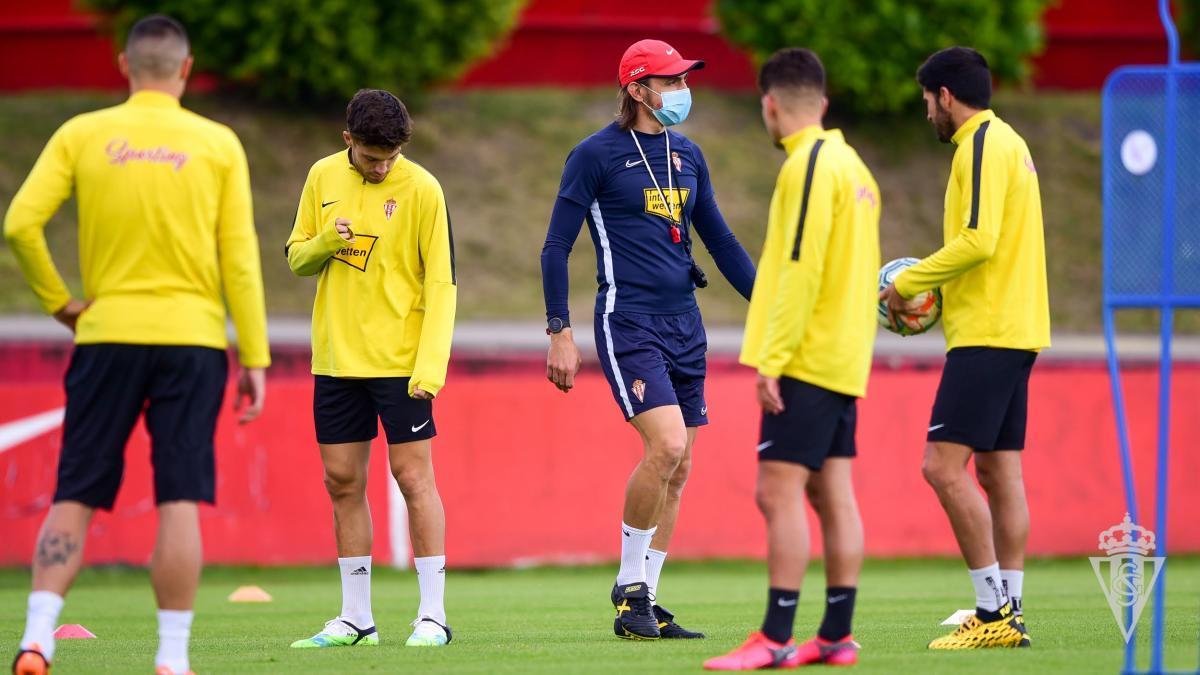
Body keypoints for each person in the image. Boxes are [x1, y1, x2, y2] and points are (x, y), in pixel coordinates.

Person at [5, 14, 270, 675]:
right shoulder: (217, 144)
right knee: (179, 495)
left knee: (77, 489)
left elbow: (19, 224)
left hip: (107, 336)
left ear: (124, 65)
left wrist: (58, 301)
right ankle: (172, 658)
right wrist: (256, 355)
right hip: (192, 340)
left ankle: (37, 637)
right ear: (186, 69)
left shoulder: (82, 134)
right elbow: (239, 258)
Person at [541, 38, 756, 641]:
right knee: (663, 446)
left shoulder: (688, 155)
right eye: (670, 81)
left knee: (681, 465)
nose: (682, 91)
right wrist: (559, 329)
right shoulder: (595, 155)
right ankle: (628, 585)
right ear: (637, 90)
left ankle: (646, 603)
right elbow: (555, 246)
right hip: (627, 321)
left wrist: (771, 308)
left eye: (684, 80)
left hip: (686, 323)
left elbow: (722, 243)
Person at [704, 48, 880, 670]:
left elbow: (800, 272)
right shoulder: (855, 168)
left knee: (776, 491)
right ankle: (835, 637)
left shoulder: (806, 167)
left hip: (806, 358)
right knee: (834, 494)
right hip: (844, 358)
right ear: (824, 102)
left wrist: (773, 361)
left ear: (769, 105)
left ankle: (776, 637)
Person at [879, 46, 1049, 650]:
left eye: (928, 102)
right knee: (1000, 471)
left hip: (988, 334)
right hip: (1018, 328)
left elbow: (978, 240)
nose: (928, 113)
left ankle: (992, 612)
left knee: (940, 468)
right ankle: (1010, 603)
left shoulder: (977, 145)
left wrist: (908, 282)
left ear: (945, 96)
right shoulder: (1011, 141)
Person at [285, 88, 458, 649]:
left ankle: (432, 615)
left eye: (390, 157)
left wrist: (430, 366)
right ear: (347, 141)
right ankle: (356, 618)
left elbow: (441, 285)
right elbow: (295, 258)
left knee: (413, 479)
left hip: (402, 364)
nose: (381, 167)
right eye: (370, 157)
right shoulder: (321, 178)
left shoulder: (424, 188)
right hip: (336, 361)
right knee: (342, 482)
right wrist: (322, 244)